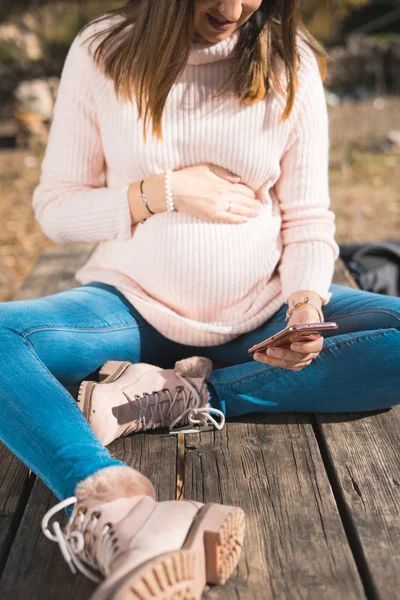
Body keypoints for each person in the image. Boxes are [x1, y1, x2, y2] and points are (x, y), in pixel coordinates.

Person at [1, 1, 399, 598]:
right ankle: (115, 502)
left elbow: (308, 217)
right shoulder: (103, 50)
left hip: (259, 314)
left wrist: (304, 308)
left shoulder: (291, 62)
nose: (234, 7)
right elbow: (57, 210)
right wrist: (163, 191)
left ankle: (188, 394)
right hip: (130, 308)